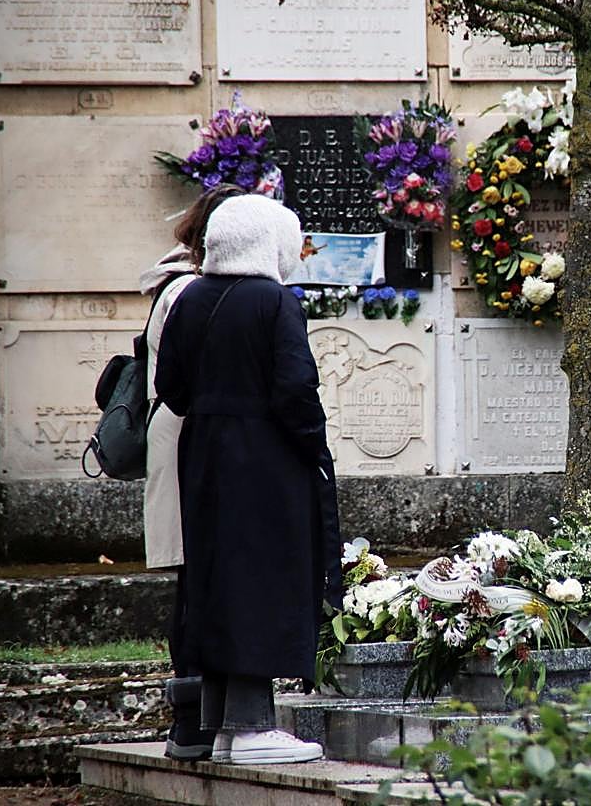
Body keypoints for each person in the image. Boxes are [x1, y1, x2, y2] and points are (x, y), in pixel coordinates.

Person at [155, 194, 341, 765]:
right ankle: (253, 727)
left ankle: (219, 724)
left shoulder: (190, 298)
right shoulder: (275, 301)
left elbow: (173, 387)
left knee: (217, 577)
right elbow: (294, 388)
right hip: (264, 456)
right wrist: (315, 445)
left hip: (204, 452)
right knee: (263, 576)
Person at [139, 183, 245, 761]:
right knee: (194, 581)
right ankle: (191, 718)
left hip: (188, 435)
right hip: (185, 436)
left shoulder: (185, 285)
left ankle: (203, 716)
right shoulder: (187, 291)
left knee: (199, 578)